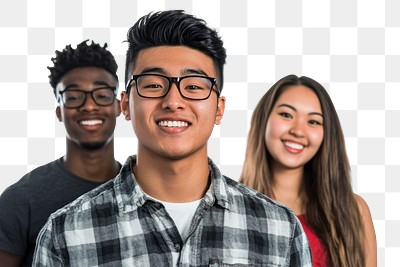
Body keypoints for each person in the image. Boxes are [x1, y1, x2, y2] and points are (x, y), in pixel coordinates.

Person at [32, 10, 312, 266]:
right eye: (154, 85)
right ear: (125, 105)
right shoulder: (66, 234)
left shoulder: (279, 229)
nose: (173, 101)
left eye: (193, 86)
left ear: (219, 109)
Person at [0, 40, 122, 267]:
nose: (89, 106)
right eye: (74, 96)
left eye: (102, 94)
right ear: (59, 111)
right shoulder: (21, 200)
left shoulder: (143, 189)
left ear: (119, 105)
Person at [240, 74, 377, 267]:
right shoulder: (229, 208)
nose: (298, 130)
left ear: (326, 134)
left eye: (313, 121)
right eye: (286, 115)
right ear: (264, 120)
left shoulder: (353, 210)